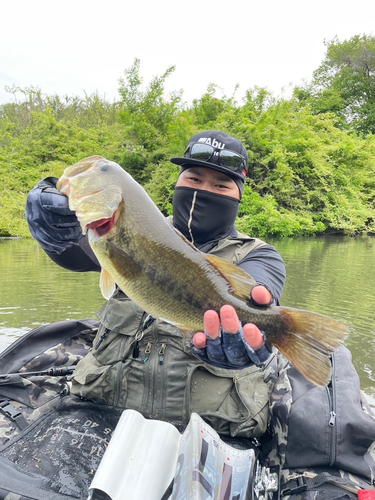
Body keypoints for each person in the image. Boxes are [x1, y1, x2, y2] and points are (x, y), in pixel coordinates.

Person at [25, 131, 375, 498]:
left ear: (239, 195)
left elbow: (258, 292)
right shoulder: (124, 229)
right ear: (177, 183)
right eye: (193, 179)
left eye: (221, 184)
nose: (203, 190)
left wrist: (253, 329)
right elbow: (72, 250)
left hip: (210, 426)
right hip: (106, 410)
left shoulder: (260, 254)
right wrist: (54, 220)